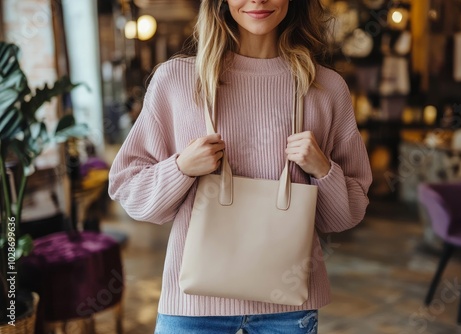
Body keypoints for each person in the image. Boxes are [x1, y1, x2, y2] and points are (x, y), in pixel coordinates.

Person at [108, 0, 372, 332]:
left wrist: (322, 170)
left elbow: (347, 214)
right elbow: (127, 188)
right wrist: (181, 168)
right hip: (192, 306)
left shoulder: (327, 89)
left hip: (288, 309)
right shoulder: (176, 80)